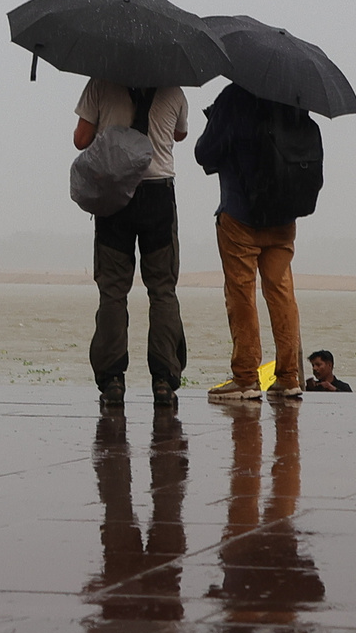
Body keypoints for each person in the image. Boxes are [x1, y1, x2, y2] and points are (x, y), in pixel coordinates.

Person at [74, 79, 190, 409]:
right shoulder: (174, 90)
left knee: (113, 289)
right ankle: (164, 379)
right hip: (158, 195)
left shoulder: (101, 83)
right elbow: (178, 134)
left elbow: (81, 139)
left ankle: (112, 379)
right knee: (163, 288)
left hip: (114, 196)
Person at [194, 84, 306, 402]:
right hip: (284, 215)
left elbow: (204, 153)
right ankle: (288, 377)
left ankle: (245, 378)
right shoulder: (290, 97)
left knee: (241, 295)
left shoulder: (234, 97)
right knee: (282, 293)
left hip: (240, 213)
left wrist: (216, 119)